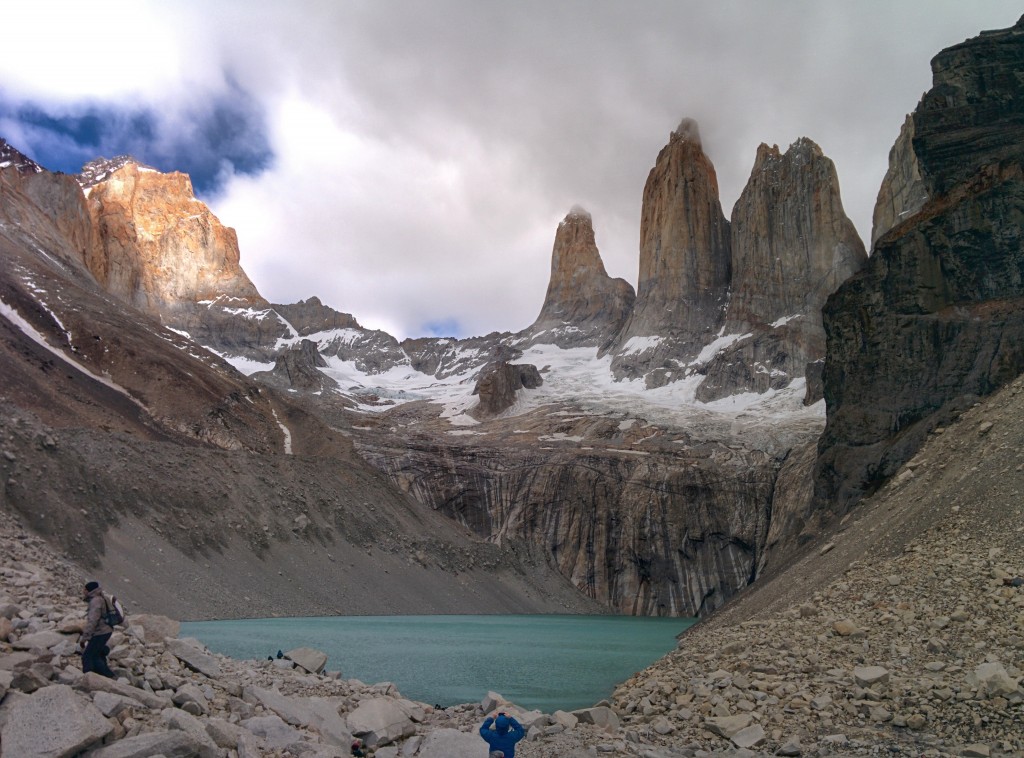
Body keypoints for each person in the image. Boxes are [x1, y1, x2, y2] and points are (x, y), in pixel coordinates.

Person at [79, 580, 116, 678]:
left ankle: (89, 678)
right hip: (106, 630)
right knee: (97, 653)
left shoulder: (95, 601)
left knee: (88, 656)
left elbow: (92, 621)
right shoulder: (100, 598)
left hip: (101, 632)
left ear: (89, 590)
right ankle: (103, 675)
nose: (83, 591)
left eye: (85, 589)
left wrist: (85, 638)